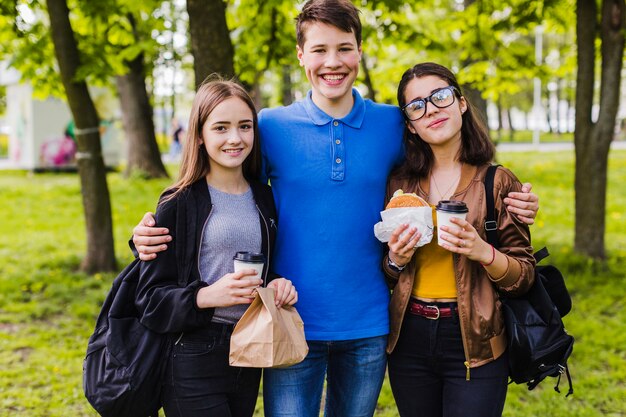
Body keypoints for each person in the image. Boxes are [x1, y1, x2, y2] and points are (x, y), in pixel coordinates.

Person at [131, 2, 539, 416]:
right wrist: (152, 229)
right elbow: (221, 185)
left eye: (344, 48)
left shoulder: (394, 125)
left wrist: (514, 200)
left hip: (370, 325)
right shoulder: (269, 127)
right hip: (289, 318)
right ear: (301, 56)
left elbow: (451, 162)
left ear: (359, 51)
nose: (332, 62)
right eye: (320, 50)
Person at [134, 79, 298, 417]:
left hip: (249, 349)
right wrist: (207, 295)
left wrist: (277, 284)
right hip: (192, 352)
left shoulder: (264, 197)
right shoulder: (178, 202)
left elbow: (264, 268)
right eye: (221, 127)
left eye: (244, 126)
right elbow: (150, 300)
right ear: (199, 134)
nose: (235, 138)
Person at [383, 62, 536, 417]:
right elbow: (388, 272)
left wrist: (482, 251)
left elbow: (525, 275)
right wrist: (397, 260)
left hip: (476, 336)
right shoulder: (399, 185)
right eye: (417, 106)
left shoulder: (496, 181)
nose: (431, 110)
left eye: (439, 96)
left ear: (461, 103)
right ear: (410, 125)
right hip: (409, 337)